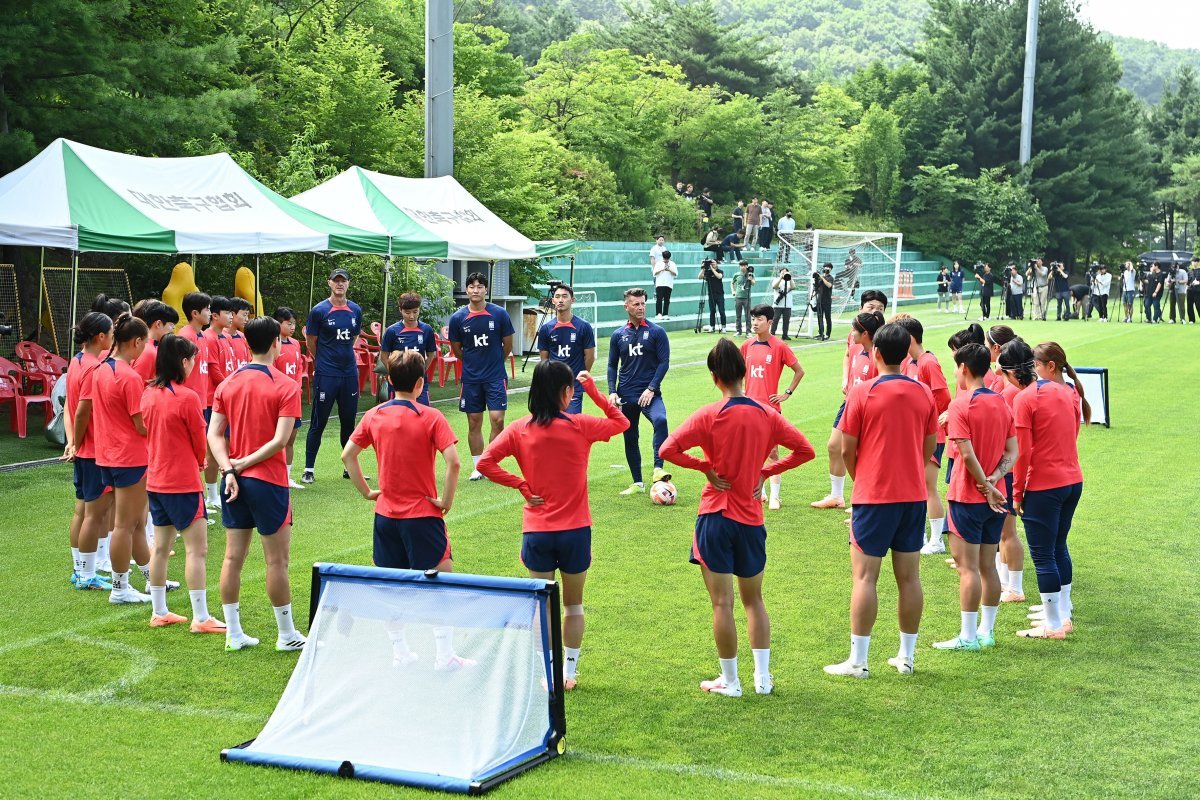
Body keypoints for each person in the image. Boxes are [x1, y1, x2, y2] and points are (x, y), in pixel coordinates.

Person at [661, 339, 814, 697]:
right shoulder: (766, 414)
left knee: (721, 603)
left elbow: (668, 449)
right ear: (745, 373)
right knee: (754, 600)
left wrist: (706, 468)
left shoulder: (708, 414)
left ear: (714, 377)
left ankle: (730, 682)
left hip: (715, 515)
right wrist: (765, 472)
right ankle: (762, 679)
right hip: (750, 519)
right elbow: (805, 450)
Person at [478, 362, 629, 689]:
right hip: (575, 531)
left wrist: (520, 484)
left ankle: (548, 672)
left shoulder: (520, 428)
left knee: (542, 605)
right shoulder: (581, 424)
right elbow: (622, 422)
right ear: (566, 392)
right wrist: (595, 392)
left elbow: (486, 462)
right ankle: (569, 673)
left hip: (538, 532)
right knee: (573, 605)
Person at [342, 350, 469, 670]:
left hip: (385, 517)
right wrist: (446, 500)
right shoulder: (430, 416)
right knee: (441, 584)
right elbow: (453, 462)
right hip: (423, 517)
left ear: (388, 381)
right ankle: (444, 656)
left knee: (392, 588)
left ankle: (400, 653)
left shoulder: (374, 416)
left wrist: (368, 492)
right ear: (419, 383)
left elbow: (348, 456)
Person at [825, 324, 937, 678]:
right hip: (913, 496)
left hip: (874, 497)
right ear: (906, 355)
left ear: (874, 353)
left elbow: (846, 448)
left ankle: (858, 661)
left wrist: (864, 479)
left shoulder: (862, 392)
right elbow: (930, 447)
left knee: (864, 578)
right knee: (909, 579)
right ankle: (906, 658)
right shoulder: (923, 392)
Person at [208, 315, 306, 652]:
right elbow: (281, 441)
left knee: (232, 558)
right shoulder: (286, 385)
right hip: (267, 481)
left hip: (232, 481)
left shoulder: (228, 383)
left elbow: (214, 433)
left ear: (246, 344)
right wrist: (243, 464)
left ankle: (234, 634)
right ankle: (286, 634)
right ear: (277, 343)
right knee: (276, 561)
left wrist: (228, 469)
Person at [932, 342, 1016, 652]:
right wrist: (995, 481)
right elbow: (1013, 452)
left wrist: (983, 485)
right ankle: (987, 631)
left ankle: (967, 637)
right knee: (988, 566)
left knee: (967, 568)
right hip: (996, 498)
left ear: (964, 368)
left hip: (968, 496)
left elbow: (966, 455)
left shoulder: (960, 404)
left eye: (956, 366)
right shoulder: (1002, 402)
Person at [140, 334, 226, 633]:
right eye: (192, 360)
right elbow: (198, 441)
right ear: (183, 361)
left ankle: (159, 610)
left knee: (160, 548)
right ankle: (201, 617)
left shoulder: (148, 393)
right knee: (196, 550)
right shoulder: (187, 397)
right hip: (183, 482)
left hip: (156, 480)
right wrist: (201, 461)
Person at [1010, 342, 1089, 639]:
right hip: (1072, 480)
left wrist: (1017, 493)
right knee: (1058, 548)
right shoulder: (1069, 392)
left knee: (1043, 555)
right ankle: (1060, 614)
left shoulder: (1026, 398)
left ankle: (1054, 624)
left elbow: (1023, 453)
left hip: (1045, 484)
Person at [90, 313, 154, 604]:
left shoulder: (101, 368)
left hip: (108, 455)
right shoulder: (129, 376)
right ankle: (120, 588)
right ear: (137, 341)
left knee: (134, 523)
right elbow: (141, 424)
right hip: (129, 457)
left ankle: (154, 578)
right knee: (125, 525)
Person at [811, 293, 888, 510]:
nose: (875, 311)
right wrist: (845, 377)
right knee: (834, 446)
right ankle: (836, 495)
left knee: (862, 453)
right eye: (870, 307)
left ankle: (863, 498)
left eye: (880, 308)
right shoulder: (854, 337)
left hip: (869, 406)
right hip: (849, 401)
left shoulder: (882, 346)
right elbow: (847, 355)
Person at [892, 317, 952, 556]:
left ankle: (937, 540)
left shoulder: (928, 362)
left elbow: (943, 398)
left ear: (910, 338)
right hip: (913, 433)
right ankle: (922, 535)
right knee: (916, 486)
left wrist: (928, 419)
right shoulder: (910, 363)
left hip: (931, 435)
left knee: (928, 486)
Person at [447, 272, 516, 481]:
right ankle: (478, 466)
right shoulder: (458, 318)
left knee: (498, 419)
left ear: (486, 290)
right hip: (471, 378)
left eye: (480, 286)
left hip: (495, 376)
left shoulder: (499, 314)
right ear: (466, 290)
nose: (475, 290)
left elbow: (508, 345)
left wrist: (494, 362)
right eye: (471, 286)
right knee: (474, 422)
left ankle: (490, 463)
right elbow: (457, 350)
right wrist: (473, 364)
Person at [64, 312, 115, 591]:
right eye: (110, 333)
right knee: (93, 515)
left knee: (82, 511)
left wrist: (74, 442)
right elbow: (82, 410)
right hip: (94, 450)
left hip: (86, 450)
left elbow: (71, 410)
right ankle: (85, 574)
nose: (112, 338)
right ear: (100, 337)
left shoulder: (77, 360)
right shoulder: (95, 367)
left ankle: (80, 569)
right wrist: (79, 442)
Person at [607, 288, 671, 495]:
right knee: (630, 436)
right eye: (636, 304)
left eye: (643, 303)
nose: (641, 307)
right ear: (626, 307)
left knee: (660, 420)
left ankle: (658, 469)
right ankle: (638, 483)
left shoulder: (656, 332)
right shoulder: (618, 335)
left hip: (649, 394)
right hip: (626, 395)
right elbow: (611, 366)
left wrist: (652, 388)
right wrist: (612, 392)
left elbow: (664, 363)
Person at [302, 268, 363, 483]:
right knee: (319, 421)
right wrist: (323, 360)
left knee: (349, 422)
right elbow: (311, 341)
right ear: (329, 283)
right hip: (327, 374)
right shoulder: (319, 311)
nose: (339, 284)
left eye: (343, 281)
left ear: (348, 283)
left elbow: (354, 336)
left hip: (349, 373)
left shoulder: (355, 309)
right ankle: (309, 468)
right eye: (336, 281)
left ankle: (349, 467)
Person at [741, 305, 804, 510]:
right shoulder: (746, 346)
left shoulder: (779, 346)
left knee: (773, 452)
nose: (755, 323)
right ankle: (762, 493)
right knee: (752, 452)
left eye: (759, 319)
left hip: (769, 409)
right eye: (752, 319)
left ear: (770, 322)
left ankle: (776, 496)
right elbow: (740, 372)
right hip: (749, 407)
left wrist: (787, 393)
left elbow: (799, 371)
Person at [986, 327, 1026, 602]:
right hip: (1008, 466)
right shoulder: (1012, 388)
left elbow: (1009, 434)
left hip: (1009, 467)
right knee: (1004, 530)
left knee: (1008, 531)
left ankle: (1015, 587)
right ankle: (1005, 582)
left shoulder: (1011, 392)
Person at [179, 292, 222, 508]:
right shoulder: (185, 336)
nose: (209, 313)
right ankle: (191, 503)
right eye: (206, 309)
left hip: (203, 402)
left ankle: (204, 499)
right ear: (195, 313)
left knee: (202, 452)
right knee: (190, 453)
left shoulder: (203, 336)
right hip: (188, 404)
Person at [537, 283, 597, 414]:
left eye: (564, 296)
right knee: (552, 426)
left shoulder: (583, 327)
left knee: (571, 425)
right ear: (553, 301)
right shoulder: (546, 329)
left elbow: (590, 357)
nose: (560, 300)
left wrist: (579, 377)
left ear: (572, 300)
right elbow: (544, 360)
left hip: (573, 386)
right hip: (552, 386)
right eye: (557, 297)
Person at [380, 293, 438, 406]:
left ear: (419, 310)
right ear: (400, 310)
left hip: (419, 381)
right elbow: (383, 356)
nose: (411, 316)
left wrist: (421, 370)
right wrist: (394, 372)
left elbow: (431, 354)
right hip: (398, 383)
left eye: (415, 312)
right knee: (397, 415)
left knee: (421, 413)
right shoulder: (392, 331)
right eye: (407, 313)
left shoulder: (427, 330)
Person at [272, 307, 307, 489]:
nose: (292, 327)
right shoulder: (272, 344)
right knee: (275, 438)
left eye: (294, 323)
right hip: (277, 398)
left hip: (294, 397)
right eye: (289, 323)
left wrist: (297, 386)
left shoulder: (295, 343)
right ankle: (273, 477)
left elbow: (300, 367)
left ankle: (287, 477)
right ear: (278, 324)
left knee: (291, 438)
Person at [130, 300, 179, 383]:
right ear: (158, 324)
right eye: (171, 325)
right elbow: (138, 385)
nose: (173, 330)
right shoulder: (148, 351)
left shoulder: (151, 347)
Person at [699, 259, 727, 333]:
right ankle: (712, 327)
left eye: (713, 263)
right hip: (711, 294)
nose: (712, 264)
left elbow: (719, 277)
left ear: (717, 263)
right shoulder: (708, 272)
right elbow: (699, 277)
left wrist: (712, 268)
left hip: (720, 294)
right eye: (711, 263)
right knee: (712, 311)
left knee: (721, 311)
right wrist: (703, 268)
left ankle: (723, 327)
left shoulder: (720, 271)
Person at [731, 260, 756, 336]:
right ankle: (738, 331)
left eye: (744, 266)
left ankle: (748, 332)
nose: (743, 267)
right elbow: (732, 283)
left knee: (748, 315)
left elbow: (753, 283)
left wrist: (750, 278)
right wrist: (733, 291)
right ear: (739, 266)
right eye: (741, 266)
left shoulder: (750, 274)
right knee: (738, 315)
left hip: (747, 297)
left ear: (747, 266)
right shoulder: (736, 275)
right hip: (738, 297)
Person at [653, 249, 678, 320]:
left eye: (667, 259)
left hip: (669, 284)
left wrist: (669, 270)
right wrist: (662, 269)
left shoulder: (672, 264)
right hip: (660, 283)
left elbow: (676, 274)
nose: (666, 260)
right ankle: (658, 313)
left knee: (667, 299)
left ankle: (665, 314)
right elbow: (654, 273)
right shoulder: (658, 263)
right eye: (665, 259)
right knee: (659, 299)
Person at [227, 298, 252, 369]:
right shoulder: (220, 336)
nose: (247, 319)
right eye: (244, 315)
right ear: (232, 314)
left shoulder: (242, 336)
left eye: (247, 315)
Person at [770, 266, 794, 339]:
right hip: (778, 305)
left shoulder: (790, 281)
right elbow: (774, 286)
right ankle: (772, 334)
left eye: (785, 271)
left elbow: (793, 287)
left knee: (786, 320)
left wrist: (789, 277)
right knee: (775, 319)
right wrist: (781, 277)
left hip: (787, 305)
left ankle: (785, 335)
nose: (784, 273)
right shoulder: (776, 279)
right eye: (782, 272)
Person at [814, 263, 834, 340]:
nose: (826, 268)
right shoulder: (820, 277)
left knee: (827, 318)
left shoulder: (830, 278)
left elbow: (829, 285)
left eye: (828, 267)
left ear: (831, 269)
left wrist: (822, 278)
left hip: (827, 301)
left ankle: (827, 334)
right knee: (819, 317)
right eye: (825, 267)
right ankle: (820, 333)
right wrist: (816, 278)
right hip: (819, 300)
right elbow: (816, 287)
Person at [1189, 257, 1200, 324]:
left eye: (1193, 261)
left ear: (1197, 262)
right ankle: (1191, 319)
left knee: (1198, 305)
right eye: (1192, 261)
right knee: (1189, 305)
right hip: (1190, 290)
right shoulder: (1190, 271)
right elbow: (1188, 280)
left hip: (1198, 290)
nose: (1192, 263)